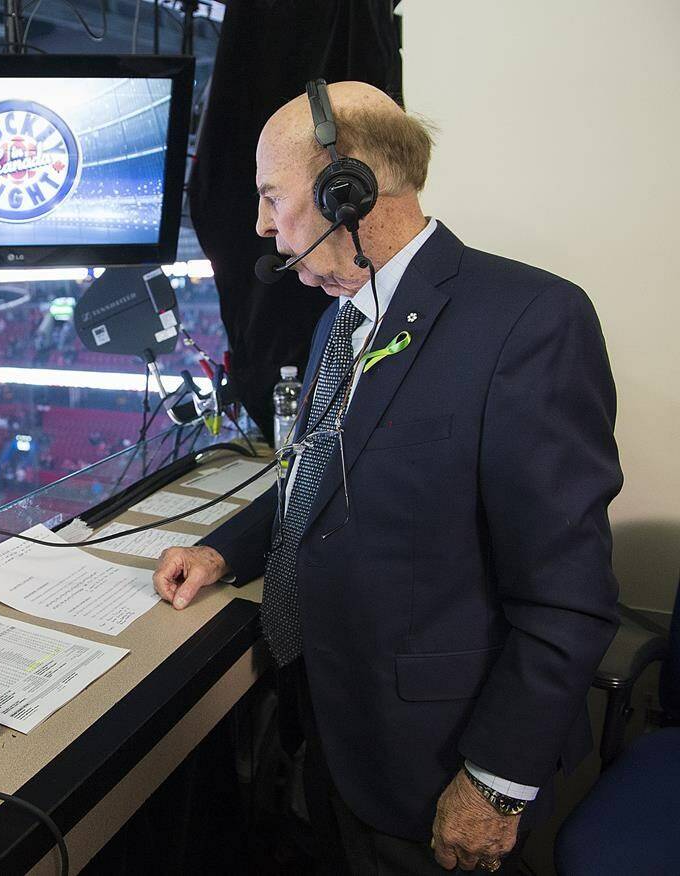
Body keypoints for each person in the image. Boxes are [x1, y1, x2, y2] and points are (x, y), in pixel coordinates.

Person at [152, 82, 620, 874]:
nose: (263, 224)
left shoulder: (532, 321)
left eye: (273, 196)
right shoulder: (345, 309)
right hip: (335, 729)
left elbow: (567, 597)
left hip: (437, 766)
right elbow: (323, 475)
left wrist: (495, 785)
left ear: (348, 191)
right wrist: (227, 550)